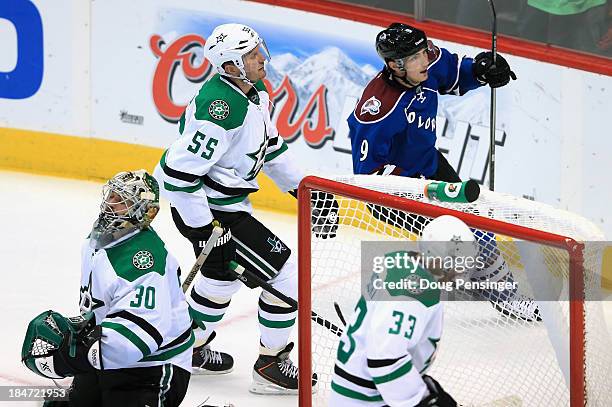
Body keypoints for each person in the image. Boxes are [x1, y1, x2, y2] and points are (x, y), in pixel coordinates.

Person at [153, 23, 336, 394]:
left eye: (258, 50)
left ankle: (189, 348)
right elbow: (174, 175)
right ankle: (271, 364)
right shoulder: (221, 110)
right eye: (251, 55)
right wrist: (204, 229)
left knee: (220, 280)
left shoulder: (255, 93)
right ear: (232, 66)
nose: (260, 58)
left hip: (225, 208)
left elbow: (271, 149)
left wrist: (306, 192)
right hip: (214, 213)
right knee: (288, 275)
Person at [348, 23, 539, 321]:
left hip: (428, 163)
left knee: (475, 219)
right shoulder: (377, 109)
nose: (424, 60)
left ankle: (482, 281)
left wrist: (481, 69)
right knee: (462, 232)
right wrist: (419, 190)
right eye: (414, 58)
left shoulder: (425, 63)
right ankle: (502, 294)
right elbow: (367, 175)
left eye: (423, 53)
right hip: (393, 192)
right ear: (394, 65)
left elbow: (452, 72)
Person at [21, 170, 193, 407]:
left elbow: (136, 341)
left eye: (121, 201)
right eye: (111, 195)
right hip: (109, 356)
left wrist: (73, 358)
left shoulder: (144, 262)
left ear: (145, 212)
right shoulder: (98, 239)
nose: (110, 204)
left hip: (153, 367)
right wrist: (79, 335)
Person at [329, 215, 477, 406]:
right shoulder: (414, 292)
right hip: (367, 398)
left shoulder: (403, 261)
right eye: (454, 261)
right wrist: (418, 400)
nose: (460, 269)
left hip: (368, 388)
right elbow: (384, 359)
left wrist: (421, 388)